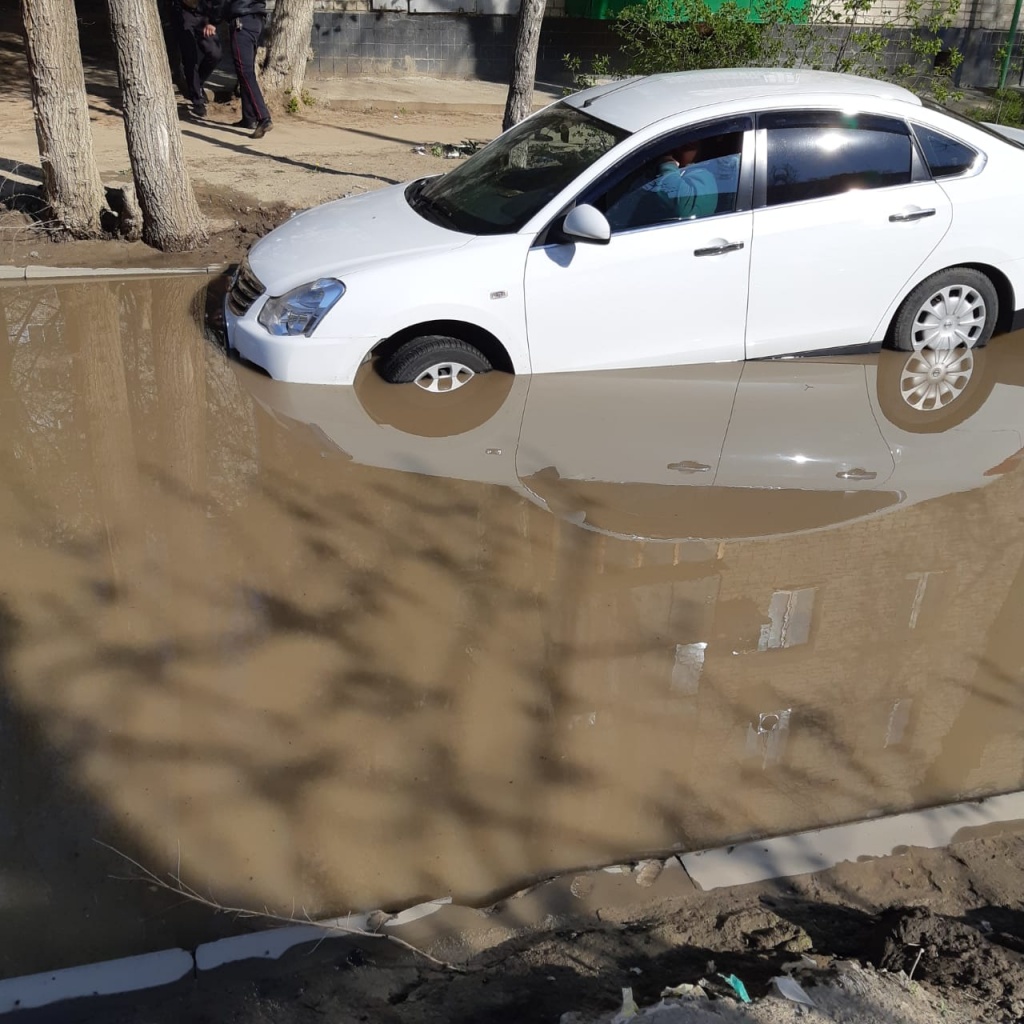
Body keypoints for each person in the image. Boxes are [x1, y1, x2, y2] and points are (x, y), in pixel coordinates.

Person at [208, 0, 273, 139]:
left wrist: (214, 20)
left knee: (245, 72)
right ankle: (249, 118)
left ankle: (264, 118)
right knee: (245, 72)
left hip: (242, 21)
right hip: (257, 20)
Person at [173, 0, 221, 119]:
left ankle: (196, 84)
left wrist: (213, 20)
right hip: (184, 14)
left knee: (215, 54)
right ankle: (197, 100)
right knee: (190, 58)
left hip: (205, 15)